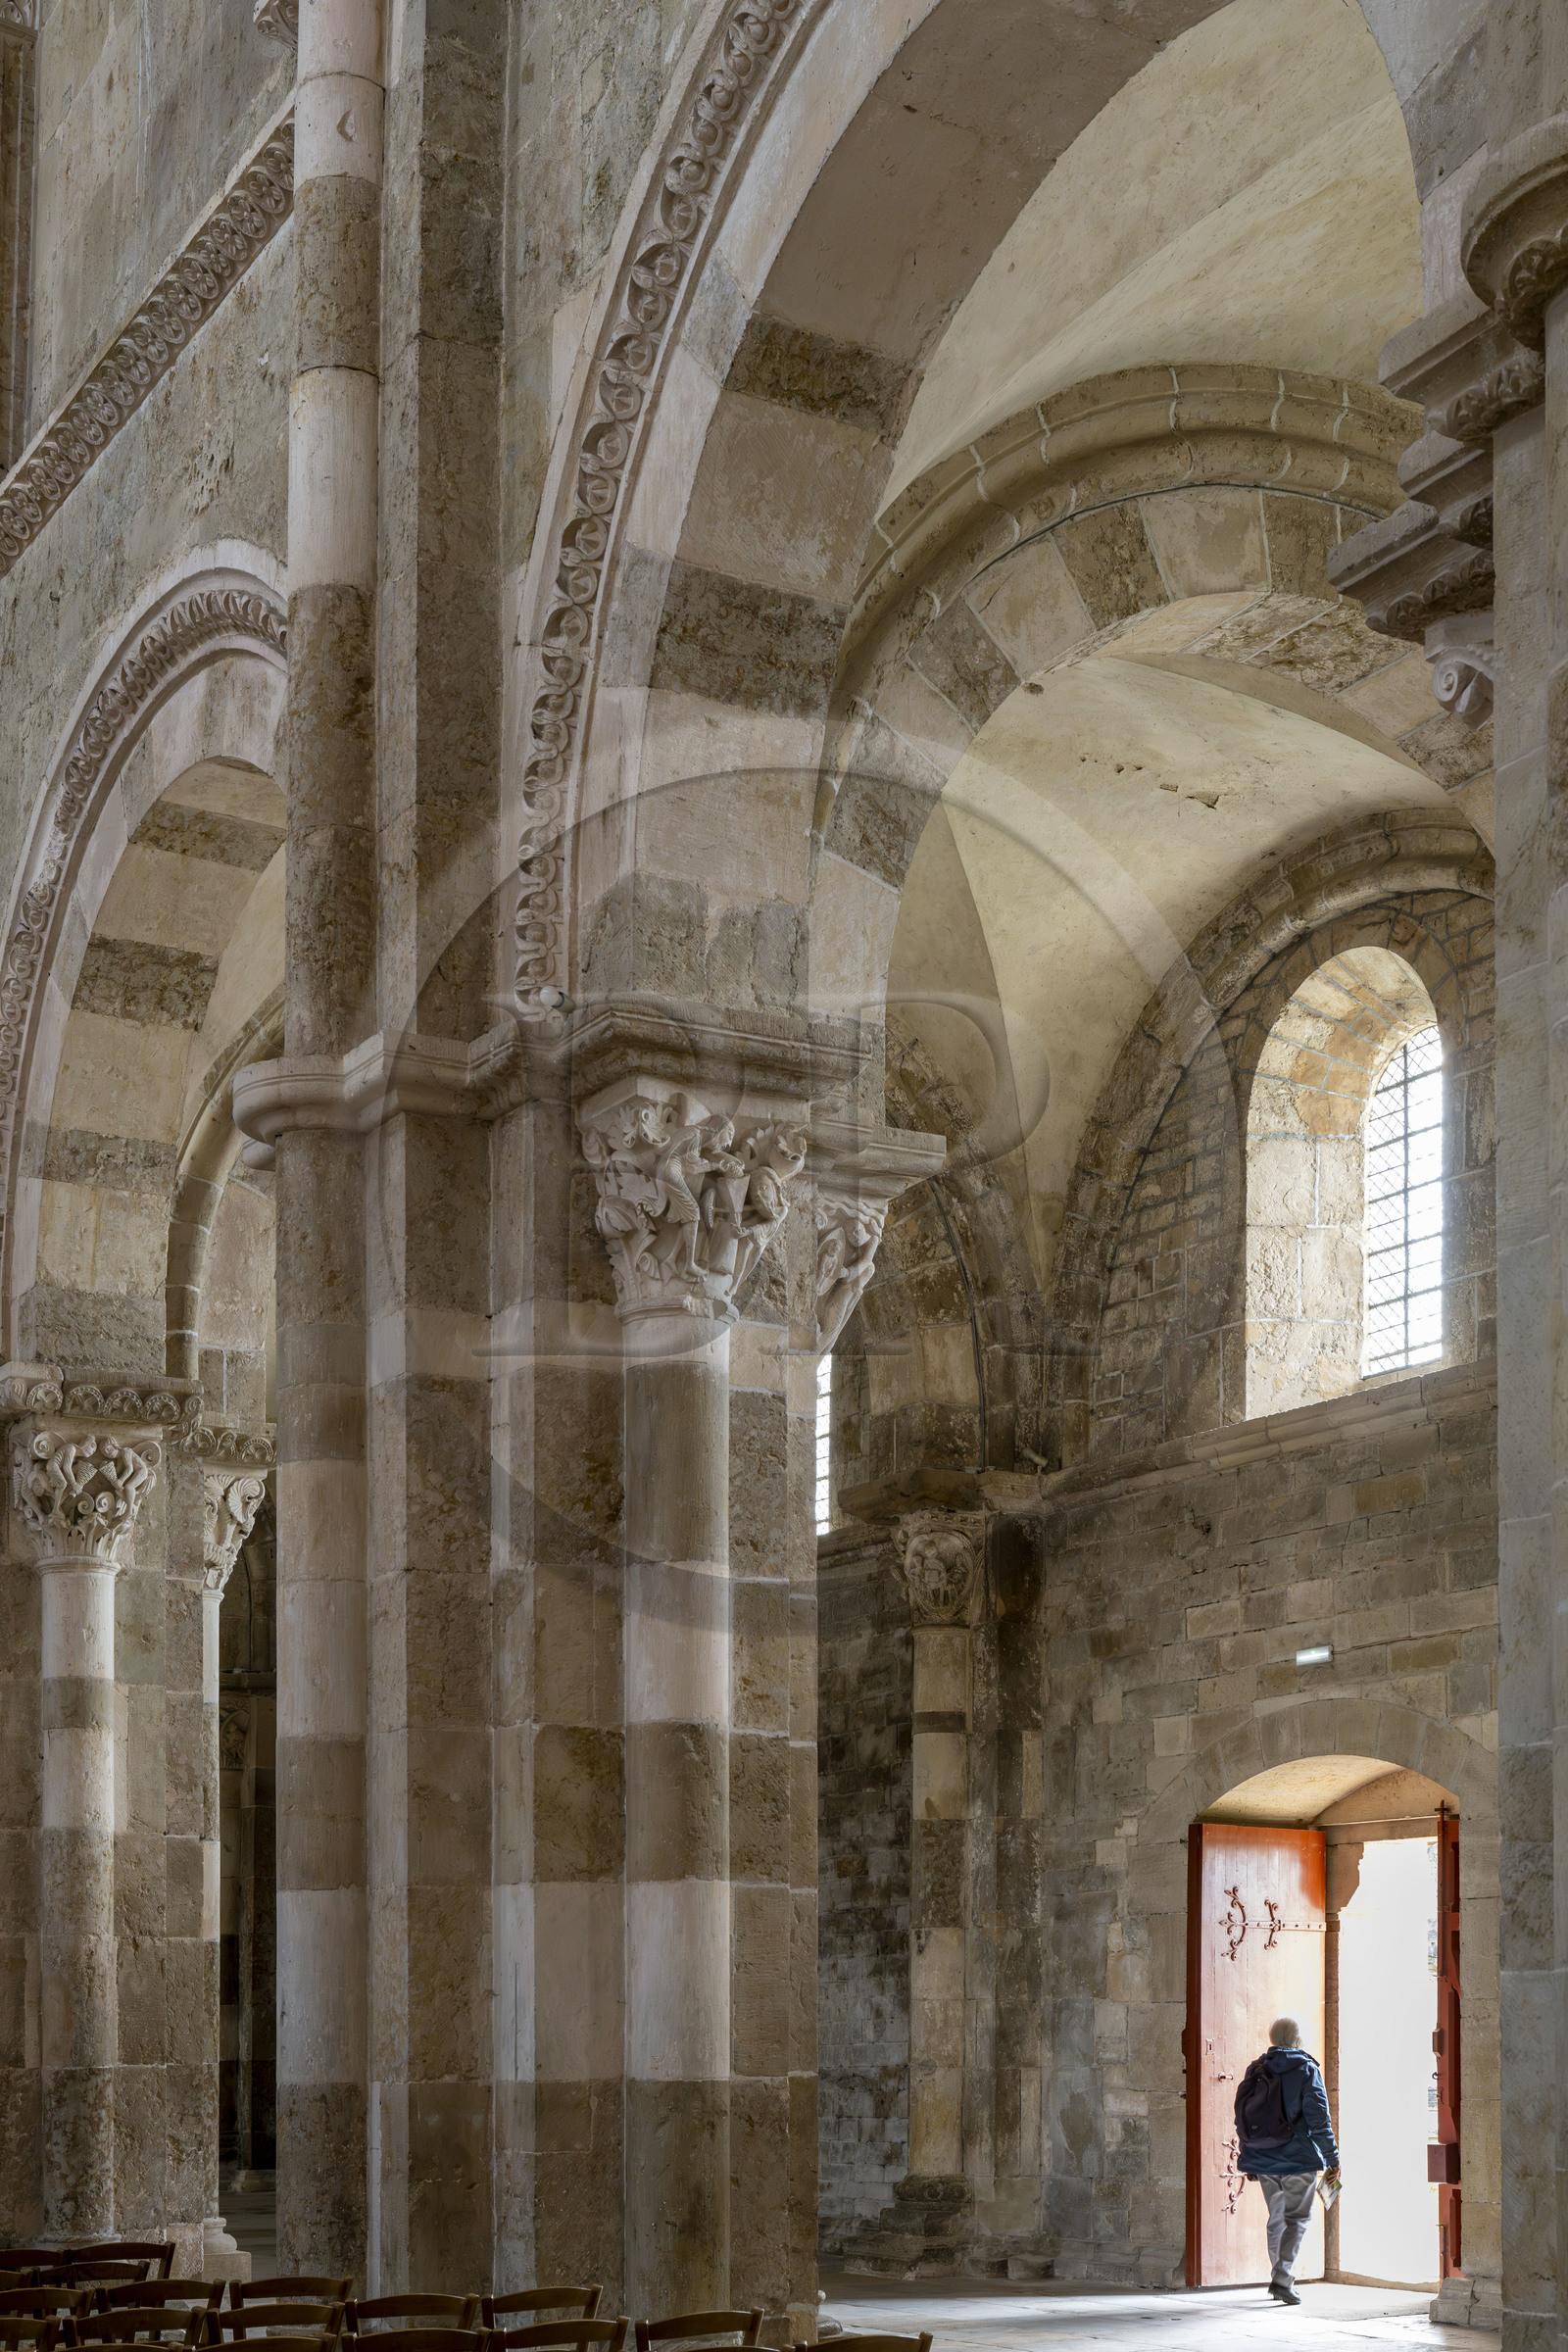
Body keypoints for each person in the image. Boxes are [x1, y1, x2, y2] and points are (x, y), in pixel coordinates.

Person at [1235, 2014, 1343, 2305]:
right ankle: (1282, 2279)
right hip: (1297, 2159)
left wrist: (1251, 2157)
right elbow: (1319, 2120)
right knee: (1297, 2218)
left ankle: (1280, 2276)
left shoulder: (1256, 2068)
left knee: (1277, 2219)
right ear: (1297, 2040)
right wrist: (1332, 2158)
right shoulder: (1306, 2069)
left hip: (1264, 2158)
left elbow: (1244, 2117)